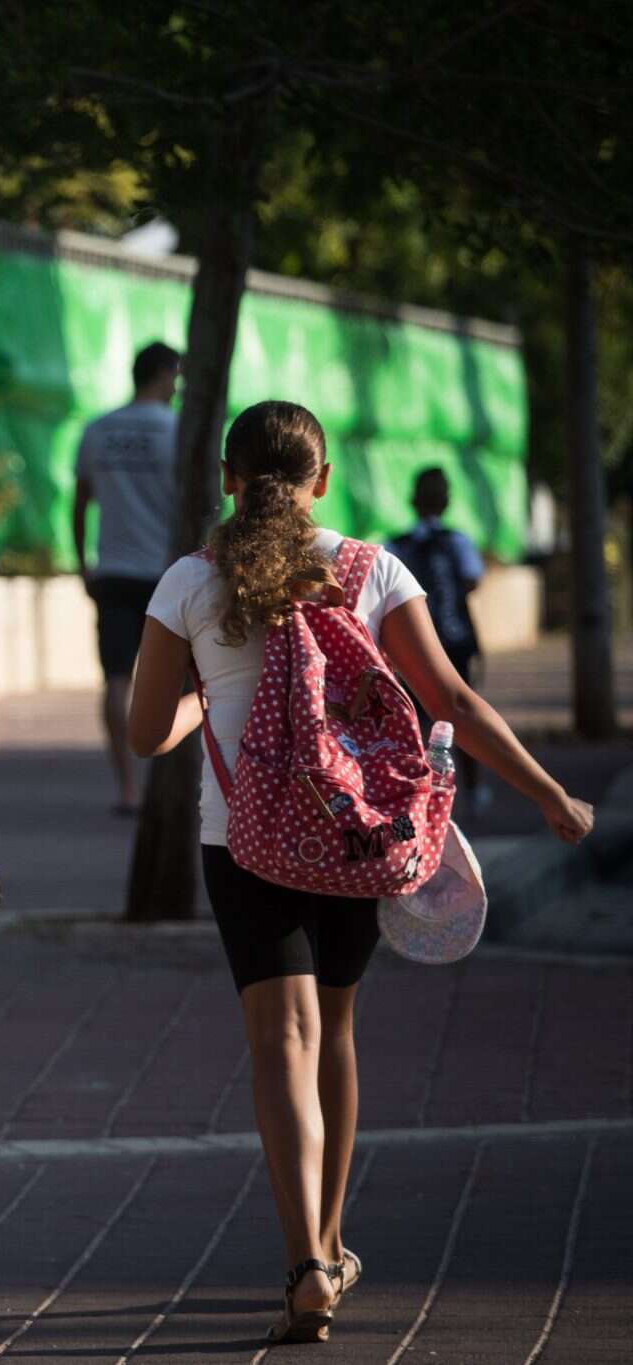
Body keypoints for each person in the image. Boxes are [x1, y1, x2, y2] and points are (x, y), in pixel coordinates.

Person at [128, 400, 594, 1345]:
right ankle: (333, 1244)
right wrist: (549, 792)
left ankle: (303, 1258)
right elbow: (450, 695)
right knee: (333, 1031)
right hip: (351, 835)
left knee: (279, 1042)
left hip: (242, 840)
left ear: (228, 478)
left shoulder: (190, 580)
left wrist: (200, 702)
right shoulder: (371, 570)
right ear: (325, 481)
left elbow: (145, 732)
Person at [73, 341, 181, 814]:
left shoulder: (99, 429)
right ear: (164, 374)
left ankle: (127, 786)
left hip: (113, 569)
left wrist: (83, 561)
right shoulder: (179, 430)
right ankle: (169, 784)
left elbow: (80, 501)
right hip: (168, 573)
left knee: (117, 679)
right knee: (178, 683)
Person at [389, 467, 487, 809]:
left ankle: (412, 794)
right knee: (461, 714)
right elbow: (472, 579)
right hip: (454, 641)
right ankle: (473, 789)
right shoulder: (457, 542)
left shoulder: (397, 545)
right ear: (446, 502)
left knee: (413, 722)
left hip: (410, 646)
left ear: (412, 501)